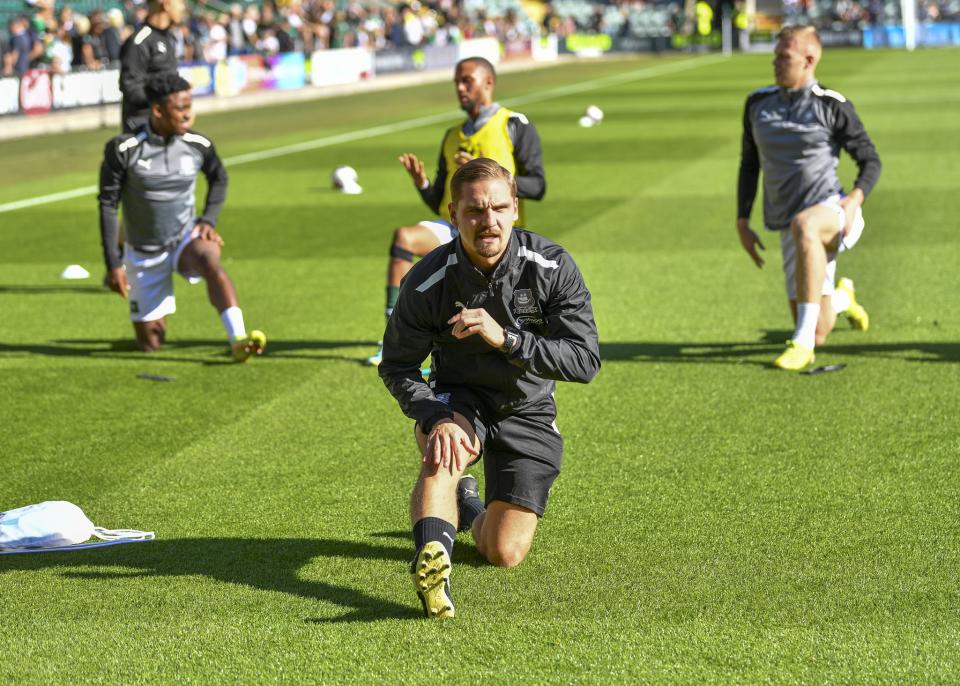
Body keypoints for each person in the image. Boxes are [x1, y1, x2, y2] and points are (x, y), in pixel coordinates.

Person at [378, 158, 599, 618]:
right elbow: (398, 366)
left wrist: (508, 339)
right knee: (444, 447)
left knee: (503, 551)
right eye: (475, 211)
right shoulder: (426, 280)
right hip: (461, 398)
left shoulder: (551, 266)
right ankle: (433, 569)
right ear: (453, 215)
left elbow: (584, 360)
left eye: (498, 208)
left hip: (527, 406)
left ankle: (468, 502)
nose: (489, 221)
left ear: (515, 208)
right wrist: (435, 415)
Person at [367, 56, 545, 366]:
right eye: (457, 83)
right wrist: (422, 183)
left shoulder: (513, 124)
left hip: (496, 231)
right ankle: (392, 337)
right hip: (457, 226)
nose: (460, 88)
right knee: (404, 238)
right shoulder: (452, 136)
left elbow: (538, 185)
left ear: (488, 82)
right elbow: (438, 201)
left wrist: (491, 176)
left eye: (467, 81)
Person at [736, 26, 881, 370]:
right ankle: (842, 299)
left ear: (809, 60)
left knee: (806, 224)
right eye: (775, 56)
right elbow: (749, 164)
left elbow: (870, 160)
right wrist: (742, 220)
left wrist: (853, 201)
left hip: (832, 210)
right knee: (820, 329)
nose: (775, 63)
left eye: (783, 57)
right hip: (788, 224)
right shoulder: (757, 104)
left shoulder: (832, 105)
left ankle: (801, 345)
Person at [98, 73, 266, 361]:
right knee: (151, 343)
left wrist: (208, 220)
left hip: (185, 239)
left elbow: (219, 177)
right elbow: (107, 205)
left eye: (190, 106)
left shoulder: (198, 144)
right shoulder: (124, 149)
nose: (188, 114)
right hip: (143, 251)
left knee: (209, 257)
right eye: (180, 108)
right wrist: (114, 263)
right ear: (158, 111)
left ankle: (238, 339)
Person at [119, 0, 183, 134]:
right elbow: (131, 87)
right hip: (143, 128)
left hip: (166, 124)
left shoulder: (169, 37)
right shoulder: (140, 41)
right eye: (180, 2)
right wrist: (163, 100)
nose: (183, 7)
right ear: (166, 4)